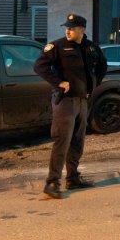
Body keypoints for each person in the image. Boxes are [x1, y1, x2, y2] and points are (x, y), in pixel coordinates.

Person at [34, 13, 107, 199]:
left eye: (72, 28)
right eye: (66, 27)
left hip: (83, 101)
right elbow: (40, 66)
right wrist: (58, 82)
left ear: (82, 30)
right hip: (65, 102)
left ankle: (73, 178)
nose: (67, 30)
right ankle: (52, 183)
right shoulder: (58, 46)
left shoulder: (91, 48)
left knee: (77, 141)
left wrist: (94, 83)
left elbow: (102, 66)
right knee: (62, 141)